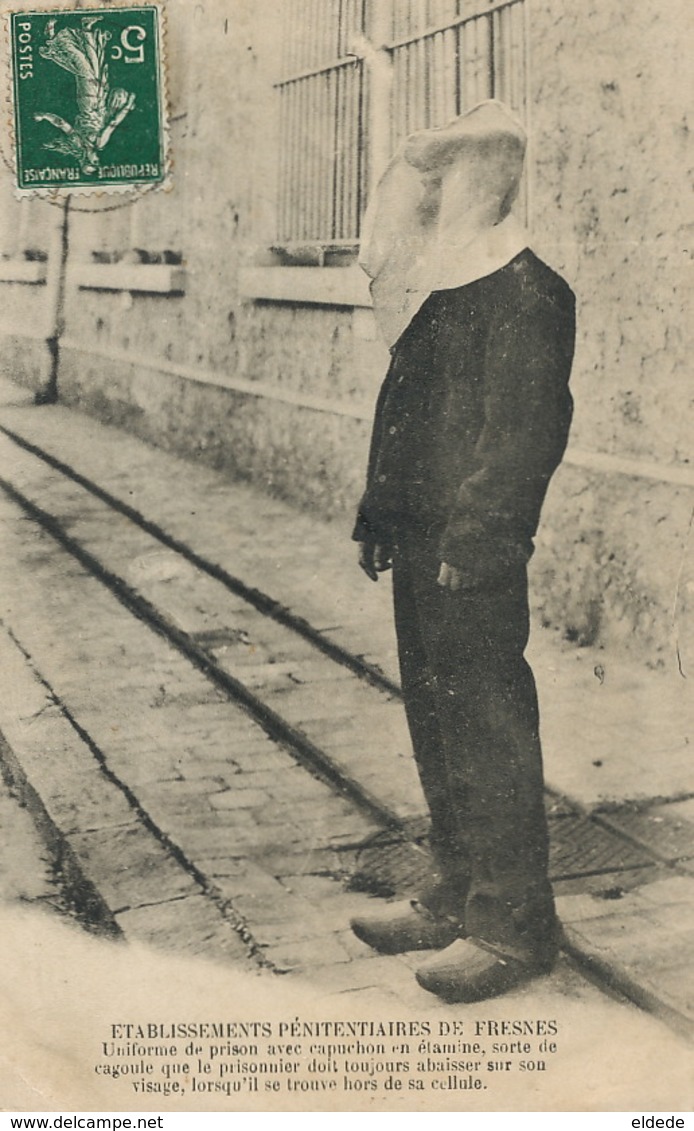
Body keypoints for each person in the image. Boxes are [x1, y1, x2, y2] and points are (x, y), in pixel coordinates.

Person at [350, 100, 576, 1003]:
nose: (439, 196)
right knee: (435, 720)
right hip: (420, 541)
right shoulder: (447, 289)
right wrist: (379, 510)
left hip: (470, 551)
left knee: (486, 723)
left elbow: (524, 431)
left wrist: (479, 533)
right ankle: (455, 887)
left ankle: (514, 924)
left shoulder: (529, 290)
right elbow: (401, 413)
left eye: (459, 176)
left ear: (496, 184)